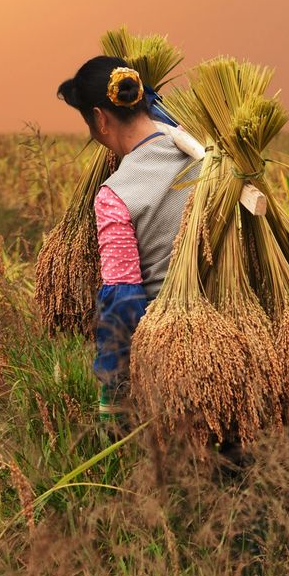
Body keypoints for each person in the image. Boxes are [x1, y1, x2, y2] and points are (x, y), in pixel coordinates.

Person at [57, 56, 204, 421]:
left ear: (101, 118)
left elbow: (123, 300)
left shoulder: (115, 195)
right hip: (231, 325)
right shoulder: (206, 154)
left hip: (173, 347)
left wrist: (113, 390)